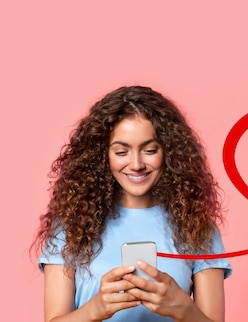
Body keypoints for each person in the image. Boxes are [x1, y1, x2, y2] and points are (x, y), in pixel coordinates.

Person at [31, 85, 232, 322]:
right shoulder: (70, 228)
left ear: (169, 151)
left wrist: (182, 308)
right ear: (102, 155)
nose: (136, 164)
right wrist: (95, 309)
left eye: (149, 150)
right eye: (121, 152)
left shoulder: (198, 228)